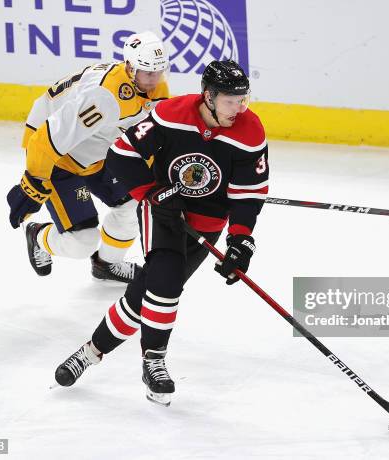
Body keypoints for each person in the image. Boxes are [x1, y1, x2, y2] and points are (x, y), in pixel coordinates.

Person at [54, 60, 269, 406]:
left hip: (207, 224)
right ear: (209, 96)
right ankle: (154, 361)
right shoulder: (171, 114)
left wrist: (240, 240)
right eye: (231, 100)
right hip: (164, 213)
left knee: (145, 293)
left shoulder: (250, 131)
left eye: (243, 100)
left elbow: (248, 194)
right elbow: (122, 156)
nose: (239, 108)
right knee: (166, 282)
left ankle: (90, 352)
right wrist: (151, 194)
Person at [6, 31, 170, 283]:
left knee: (132, 205)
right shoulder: (104, 96)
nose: (154, 80)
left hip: (97, 152)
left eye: (159, 71)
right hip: (58, 158)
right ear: (129, 67)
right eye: (148, 72)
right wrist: (34, 183)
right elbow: (46, 139)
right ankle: (37, 235)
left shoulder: (156, 86)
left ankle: (106, 264)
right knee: (82, 242)